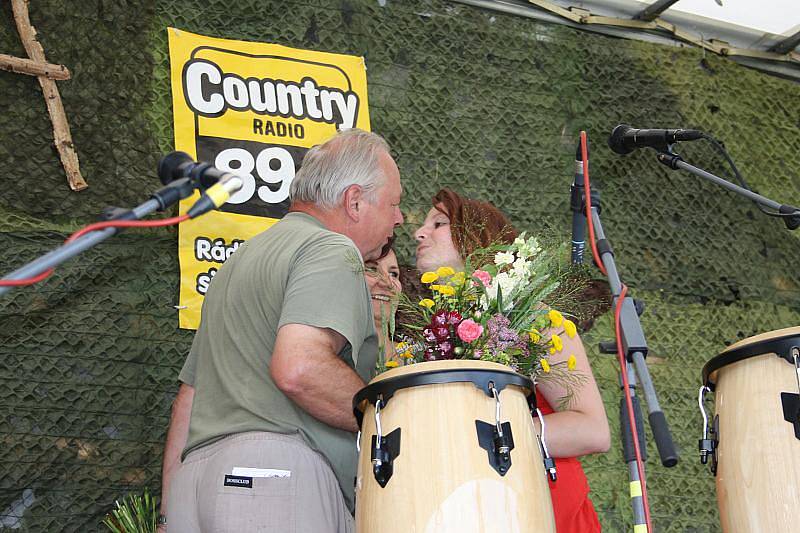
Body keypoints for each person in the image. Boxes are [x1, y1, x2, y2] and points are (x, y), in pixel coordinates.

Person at [159, 128, 403, 533]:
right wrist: (391, 422)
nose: (398, 218)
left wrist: (169, 512)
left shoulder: (241, 260)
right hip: (271, 480)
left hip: (195, 485)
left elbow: (189, 397)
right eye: (394, 204)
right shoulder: (330, 248)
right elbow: (299, 368)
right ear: (355, 201)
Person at [414, 188, 610, 532]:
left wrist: (487, 436)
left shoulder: (536, 319)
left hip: (545, 506)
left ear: (478, 238)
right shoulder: (431, 328)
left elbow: (593, 430)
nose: (419, 233)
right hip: (471, 508)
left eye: (439, 223)